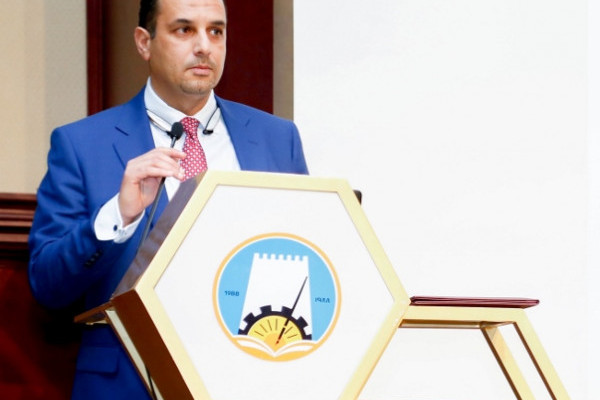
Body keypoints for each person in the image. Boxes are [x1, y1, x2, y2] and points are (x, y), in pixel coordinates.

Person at [28, 0, 308, 398]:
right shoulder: (81, 144)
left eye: (216, 31)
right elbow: (48, 285)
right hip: (128, 383)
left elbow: (301, 257)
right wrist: (119, 216)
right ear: (144, 42)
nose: (204, 46)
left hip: (250, 377)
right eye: (184, 30)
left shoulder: (277, 138)